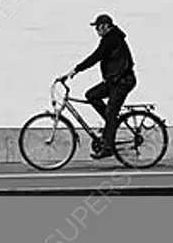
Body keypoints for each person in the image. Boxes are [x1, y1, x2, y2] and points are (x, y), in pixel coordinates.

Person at [58, 14, 137, 159]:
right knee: (91, 95)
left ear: (105, 26)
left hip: (123, 81)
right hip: (114, 81)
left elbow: (95, 57)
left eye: (97, 27)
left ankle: (108, 147)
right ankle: (110, 125)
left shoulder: (111, 39)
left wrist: (74, 70)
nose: (96, 31)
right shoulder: (110, 38)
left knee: (112, 111)